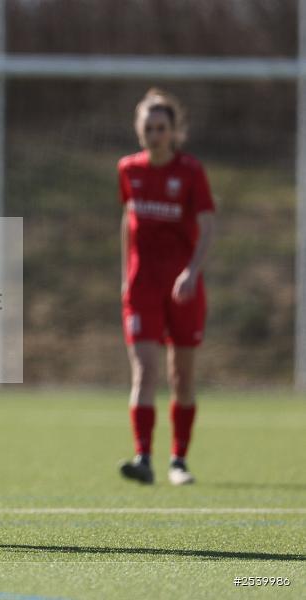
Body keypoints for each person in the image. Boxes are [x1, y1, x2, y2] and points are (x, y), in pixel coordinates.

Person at [117, 89, 216, 485]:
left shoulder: (191, 172)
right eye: (148, 127)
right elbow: (128, 219)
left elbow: (208, 225)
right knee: (145, 371)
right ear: (139, 131)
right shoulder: (128, 169)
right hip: (143, 287)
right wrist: (126, 275)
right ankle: (143, 457)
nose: (155, 134)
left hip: (183, 288)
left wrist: (192, 271)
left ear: (174, 132)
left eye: (162, 128)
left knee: (182, 377)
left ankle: (179, 460)